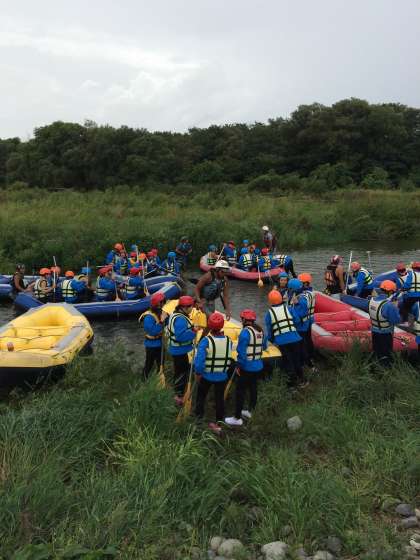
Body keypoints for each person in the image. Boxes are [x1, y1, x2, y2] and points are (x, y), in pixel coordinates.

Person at [225, 309, 267, 426]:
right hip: (258, 366)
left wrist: (239, 365)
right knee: (253, 388)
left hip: (247, 367)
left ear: (244, 320)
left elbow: (241, 351)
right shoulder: (260, 331)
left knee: (240, 391)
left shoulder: (245, 332)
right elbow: (264, 347)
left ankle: (237, 418)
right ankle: (250, 411)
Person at [194, 312, 233, 434]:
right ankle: (218, 423)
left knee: (201, 396)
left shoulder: (205, 341)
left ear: (209, 326)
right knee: (219, 399)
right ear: (222, 326)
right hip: (222, 376)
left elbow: (199, 361)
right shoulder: (229, 340)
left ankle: (198, 419)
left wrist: (198, 373)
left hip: (207, 375)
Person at [265, 289, 304, 388]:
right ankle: (303, 381)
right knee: (296, 360)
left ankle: (292, 386)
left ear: (270, 301)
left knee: (288, 363)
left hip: (282, 341)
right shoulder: (288, 308)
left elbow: (270, 331)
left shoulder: (269, 314)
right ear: (281, 299)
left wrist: (272, 340)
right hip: (295, 338)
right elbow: (297, 320)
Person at [167, 295, 197, 405]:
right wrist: (193, 332)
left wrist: (191, 329)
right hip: (180, 350)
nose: (192, 308)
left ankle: (178, 391)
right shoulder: (180, 319)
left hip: (176, 349)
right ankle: (178, 396)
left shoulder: (174, 314)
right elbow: (180, 336)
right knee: (181, 373)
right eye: (190, 306)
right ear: (184, 307)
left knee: (179, 371)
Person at [369, 280, 401, 367]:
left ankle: (375, 367)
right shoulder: (388, 305)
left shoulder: (371, 300)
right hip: (385, 334)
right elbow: (396, 320)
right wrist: (396, 307)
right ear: (390, 292)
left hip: (374, 332)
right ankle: (385, 371)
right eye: (393, 292)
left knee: (377, 352)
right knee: (385, 355)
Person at [139, 292, 168, 379]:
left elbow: (167, 324)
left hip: (160, 343)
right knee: (149, 365)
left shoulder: (161, 313)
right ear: (157, 304)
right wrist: (161, 321)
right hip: (151, 345)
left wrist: (166, 318)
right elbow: (152, 331)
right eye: (161, 302)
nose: (163, 304)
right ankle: (144, 380)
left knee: (161, 364)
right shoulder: (148, 317)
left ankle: (160, 380)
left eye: (163, 302)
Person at [292, 275, 316, 370]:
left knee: (303, 342)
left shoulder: (303, 296)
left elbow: (301, 311)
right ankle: (311, 356)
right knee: (308, 339)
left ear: (305, 283)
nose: (299, 285)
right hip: (310, 319)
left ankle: (305, 361)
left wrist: (296, 303)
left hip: (303, 323)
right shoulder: (311, 293)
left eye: (300, 283)